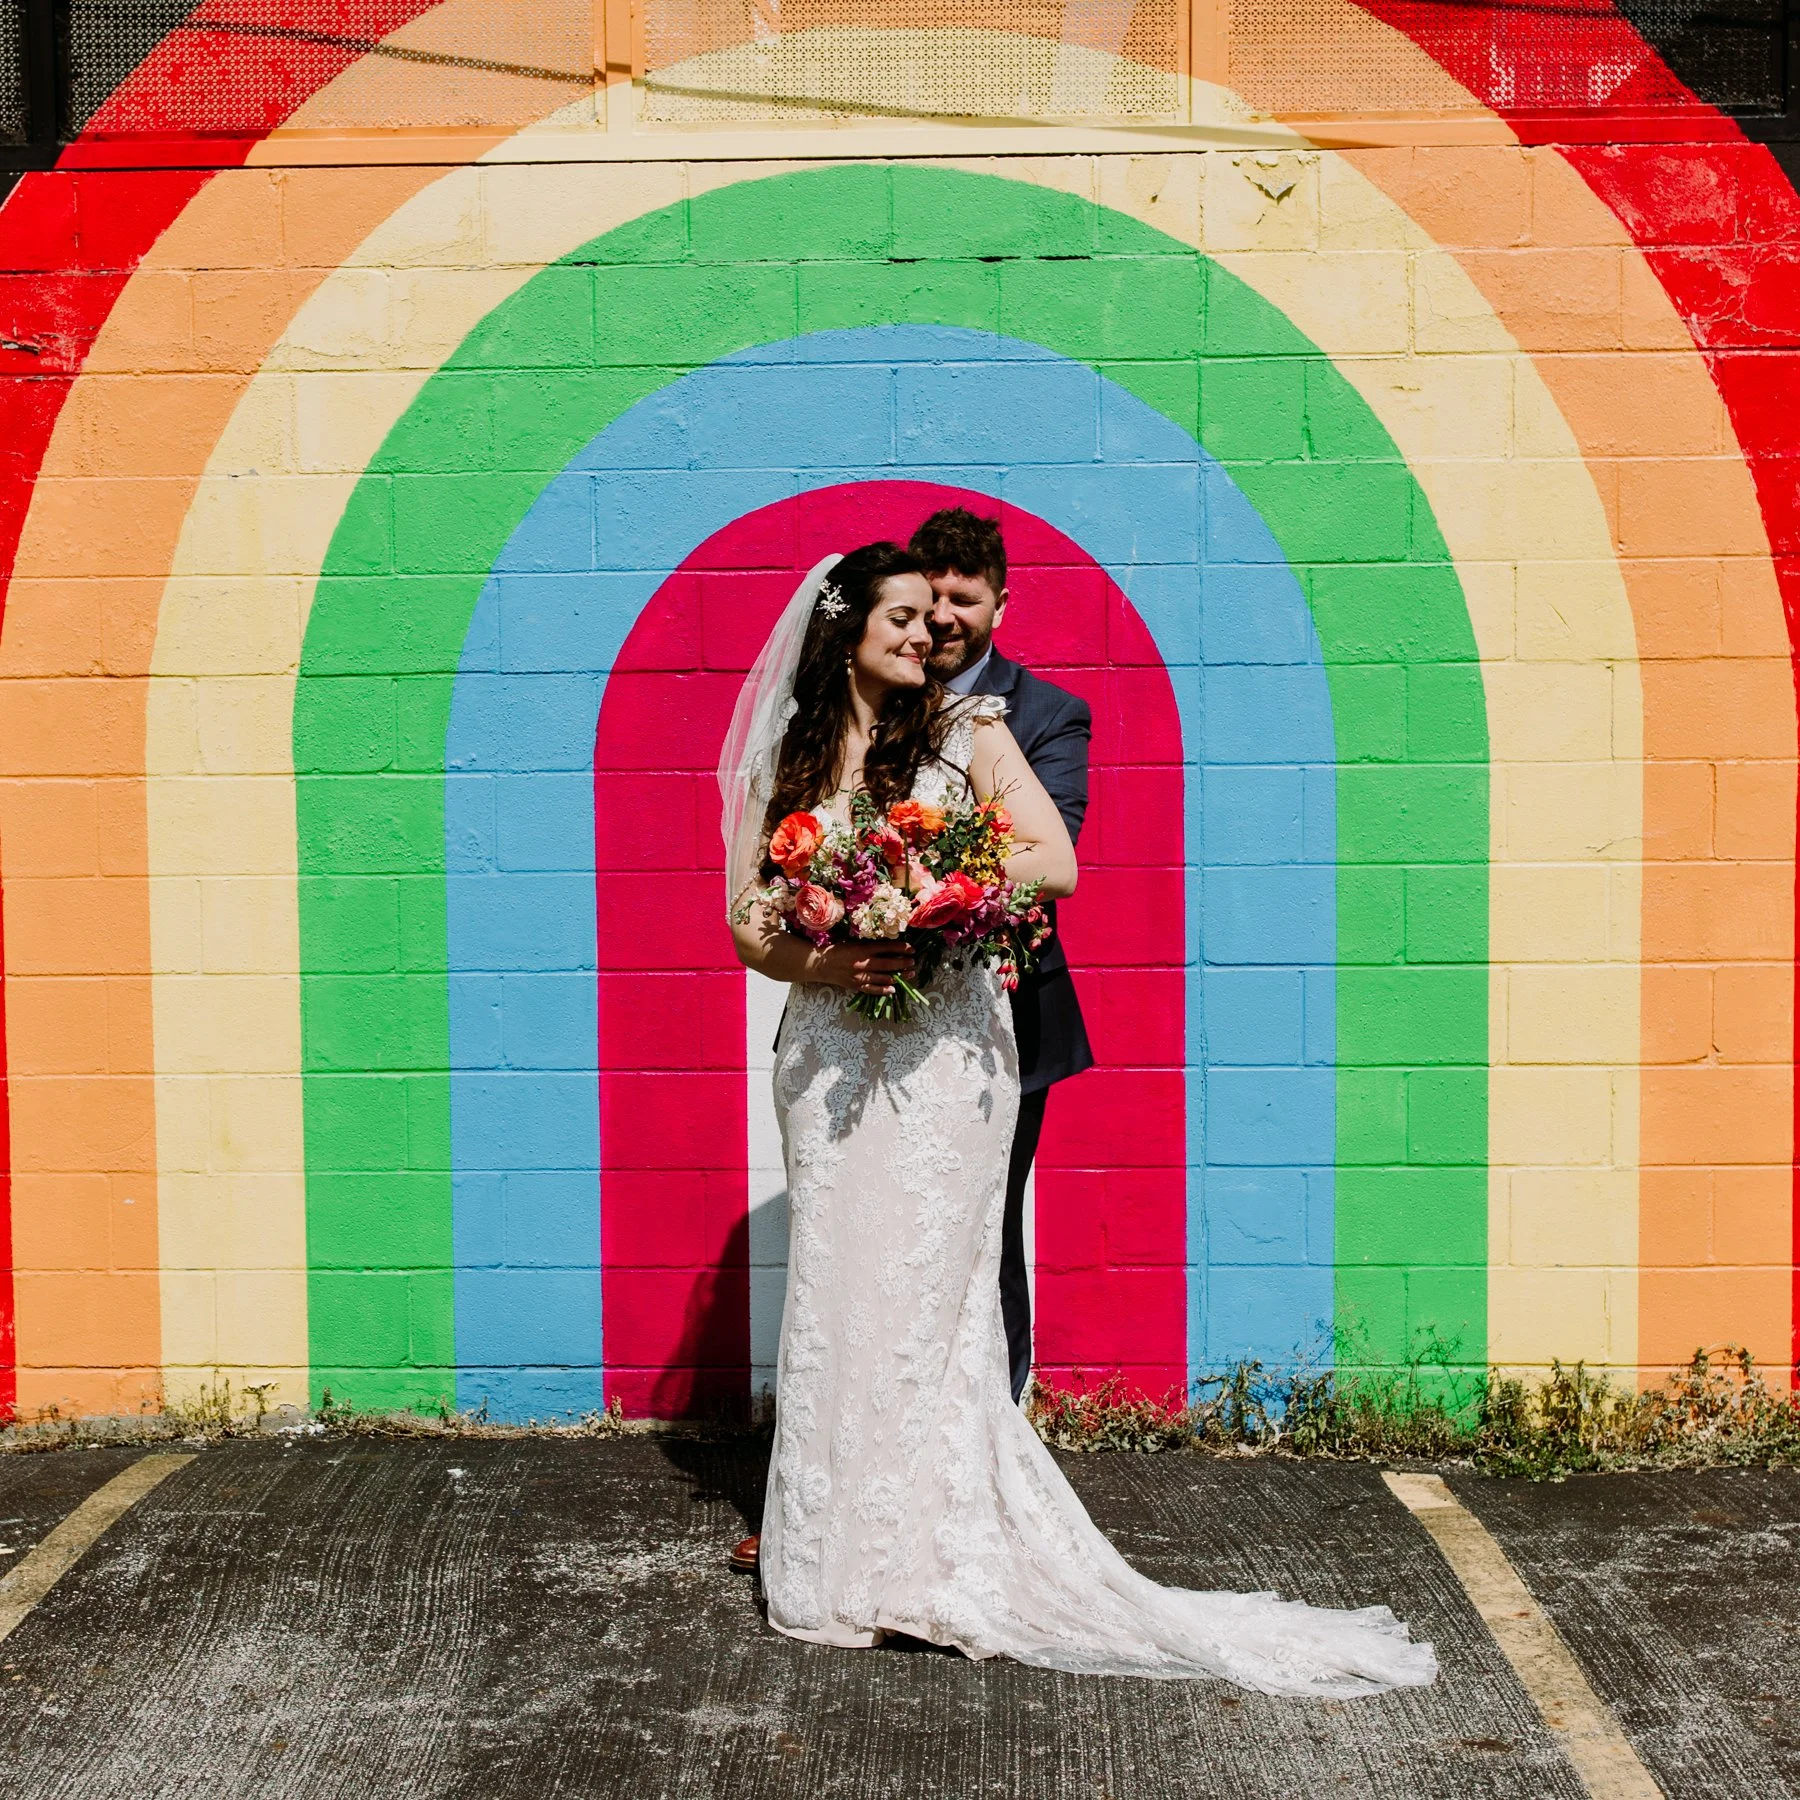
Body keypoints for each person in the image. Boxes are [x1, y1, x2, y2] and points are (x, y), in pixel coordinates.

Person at [718, 541, 1437, 1691]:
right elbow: (748, 929)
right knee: (839, 1291)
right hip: (831, 1048)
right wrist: (829, 953)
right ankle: (833, 1555)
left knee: (931, 1297)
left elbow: (1053, 863)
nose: (924, 634)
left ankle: (931, 1551)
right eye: (900, 618)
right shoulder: (794, 760)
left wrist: (939, 893)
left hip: (949, 1051)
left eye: (932, 618)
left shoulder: (972, 731)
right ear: (845, 630)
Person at [908, 506, 1093, 1407]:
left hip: (1005, 1025)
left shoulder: (1050, 715)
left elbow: (1043, 857)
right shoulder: (875, 691)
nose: (942, 617)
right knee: (884, 1238)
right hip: (877, 1019)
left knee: (985, 1227)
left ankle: (999, 1439)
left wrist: (899, 877)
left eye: (964, 599)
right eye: (929, 595)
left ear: (999, 607)